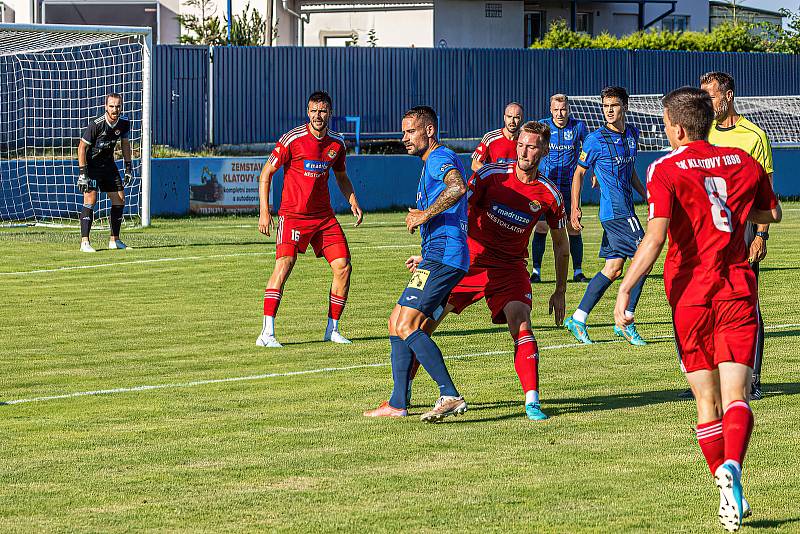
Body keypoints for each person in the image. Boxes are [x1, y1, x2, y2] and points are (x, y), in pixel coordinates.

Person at [615, 87, 781, 532]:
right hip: (737, 288)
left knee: (705, 402)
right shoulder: (744, 162)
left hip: (690, 295)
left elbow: (654, 237)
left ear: (679, 127)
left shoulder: (665, 168)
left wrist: (626, 289)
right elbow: (773, 213)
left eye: (666, 124)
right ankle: (734, 473)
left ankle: (721, 480)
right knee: (738, 397)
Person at [365, 121, 569, 421]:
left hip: (509, 269)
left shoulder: (550, 195)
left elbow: (561, 245)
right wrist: (430, 255)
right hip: (468, 263)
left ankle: (532, 401)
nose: (525, 152)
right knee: (418, 326)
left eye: (533, 146)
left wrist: (560, 290)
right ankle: (401, 398)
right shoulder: (491, 175)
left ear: (545, 150)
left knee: (521, 323)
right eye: (522, 145)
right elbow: (456, 209)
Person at [364, 105, 470, 423]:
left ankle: (449, 394)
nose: (404, 138)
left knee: (409, 325)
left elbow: (458, 187)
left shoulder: (439, 157)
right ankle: (398, 402)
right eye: (404, 131)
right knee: (396, 320)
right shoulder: (429, 163)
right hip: (436, 255)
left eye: (410, 131)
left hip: (446, 257)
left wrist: (423, 215)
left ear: (429, 131)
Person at [684, 71, 775, 401]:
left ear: (729, 96)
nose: (707, 102)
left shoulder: (753, 136)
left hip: (744, 228)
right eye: (703, 97)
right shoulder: (700, 133)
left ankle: (752, 380)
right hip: (706, 230)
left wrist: (761, 235)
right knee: (703, 303)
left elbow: (766, 194)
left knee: (747, 302)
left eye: (711, 96)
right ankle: (705, 381)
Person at [255, 91, 364, 348]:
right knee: (284, 265)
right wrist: (264, 211)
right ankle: (266, 333)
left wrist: (353, 200)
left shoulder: (337, 144)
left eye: (323, 110)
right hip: (293, 216)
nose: (318, 115)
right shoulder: (292, 139)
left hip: (324, 218)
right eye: (314, 110)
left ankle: (333, 329)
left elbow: (341, 176)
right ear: (307, 112)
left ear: (330, 113)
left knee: (343, 267)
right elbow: (266, 173)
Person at [563, 86, 649, 346]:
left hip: (627, 210)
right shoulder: (594, 139)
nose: (608, 111)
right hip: (615, 213)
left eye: (613, 105)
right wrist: (575, 207)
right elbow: (579, 173)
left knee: (613, 269)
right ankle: (626, 319)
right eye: (605, 106)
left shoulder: (633, 134)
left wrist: (646, 195)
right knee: (644, 260)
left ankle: (578, 318)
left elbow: (630, 171)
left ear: (625, 107)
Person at [530, 94, 590, 283]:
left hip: (569, 187)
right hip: (546, 187)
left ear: (568, 109)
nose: (560, 113)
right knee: (541, 227)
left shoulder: (579, 126)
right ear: (550, 110)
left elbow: (589, 149)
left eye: (563, 109)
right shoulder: (543, 126)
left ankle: (578, 272)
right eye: (556, 110)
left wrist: (594, 171)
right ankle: (536, 272)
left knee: (574, 227)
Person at [77, 93, 133, 252]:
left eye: (118, 106)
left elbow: (125, 145)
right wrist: (83, 173)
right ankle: (85, 242)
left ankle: (114, 240)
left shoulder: (124, 123)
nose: (115, 109)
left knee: (120, 200)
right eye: (112, 106)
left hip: (109, 166)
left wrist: (128, 168)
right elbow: (81, 147)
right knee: (90, 199)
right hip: (92, 166)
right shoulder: (96, 124)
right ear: (105, 107)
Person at [471, 102, 524, 172]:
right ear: (504, 118)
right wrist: (492, 176)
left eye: (516, 117)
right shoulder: (490, 137)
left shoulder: (525, 140)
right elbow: (475, 164)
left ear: (522, 119)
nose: (512, 121)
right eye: (509, 116)